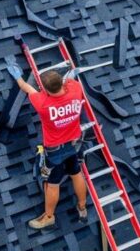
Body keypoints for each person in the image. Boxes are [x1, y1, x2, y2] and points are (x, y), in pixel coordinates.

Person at [8, 62, 89, 230]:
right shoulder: (76, 90)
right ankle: (82, 207)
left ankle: (49, 217)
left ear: (46, 90)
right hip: (74, 143)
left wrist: (17, 77)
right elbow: (69, 80)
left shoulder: (42, 103)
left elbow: (27, 88)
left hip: (55, 150)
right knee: (76, 172)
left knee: (53, 183)